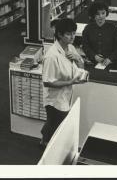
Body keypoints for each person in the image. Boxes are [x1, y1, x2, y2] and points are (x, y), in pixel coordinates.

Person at [41, 18, 87, 148]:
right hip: (55, 99)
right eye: (68, 34)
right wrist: (70, 82)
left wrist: (79, 59)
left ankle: (45, 139)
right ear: (60, 34)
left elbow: (79, 67)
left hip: (66, 94)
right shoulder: (51, 56)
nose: (72, 37)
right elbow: (47, 82)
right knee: (58, 123)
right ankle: (47, 145)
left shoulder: (70, 47)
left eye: (74, 33)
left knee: (54, 122)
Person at [82, 1, 117, 68]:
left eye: (103, 13)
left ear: (106, 13)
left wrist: (110, 58)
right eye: (97, 14)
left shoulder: (113, 28)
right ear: (93, 15)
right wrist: (94, 56)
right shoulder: (88, 29)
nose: (101, 16)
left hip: (110, 63)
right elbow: (85, 46)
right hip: (93, 62)